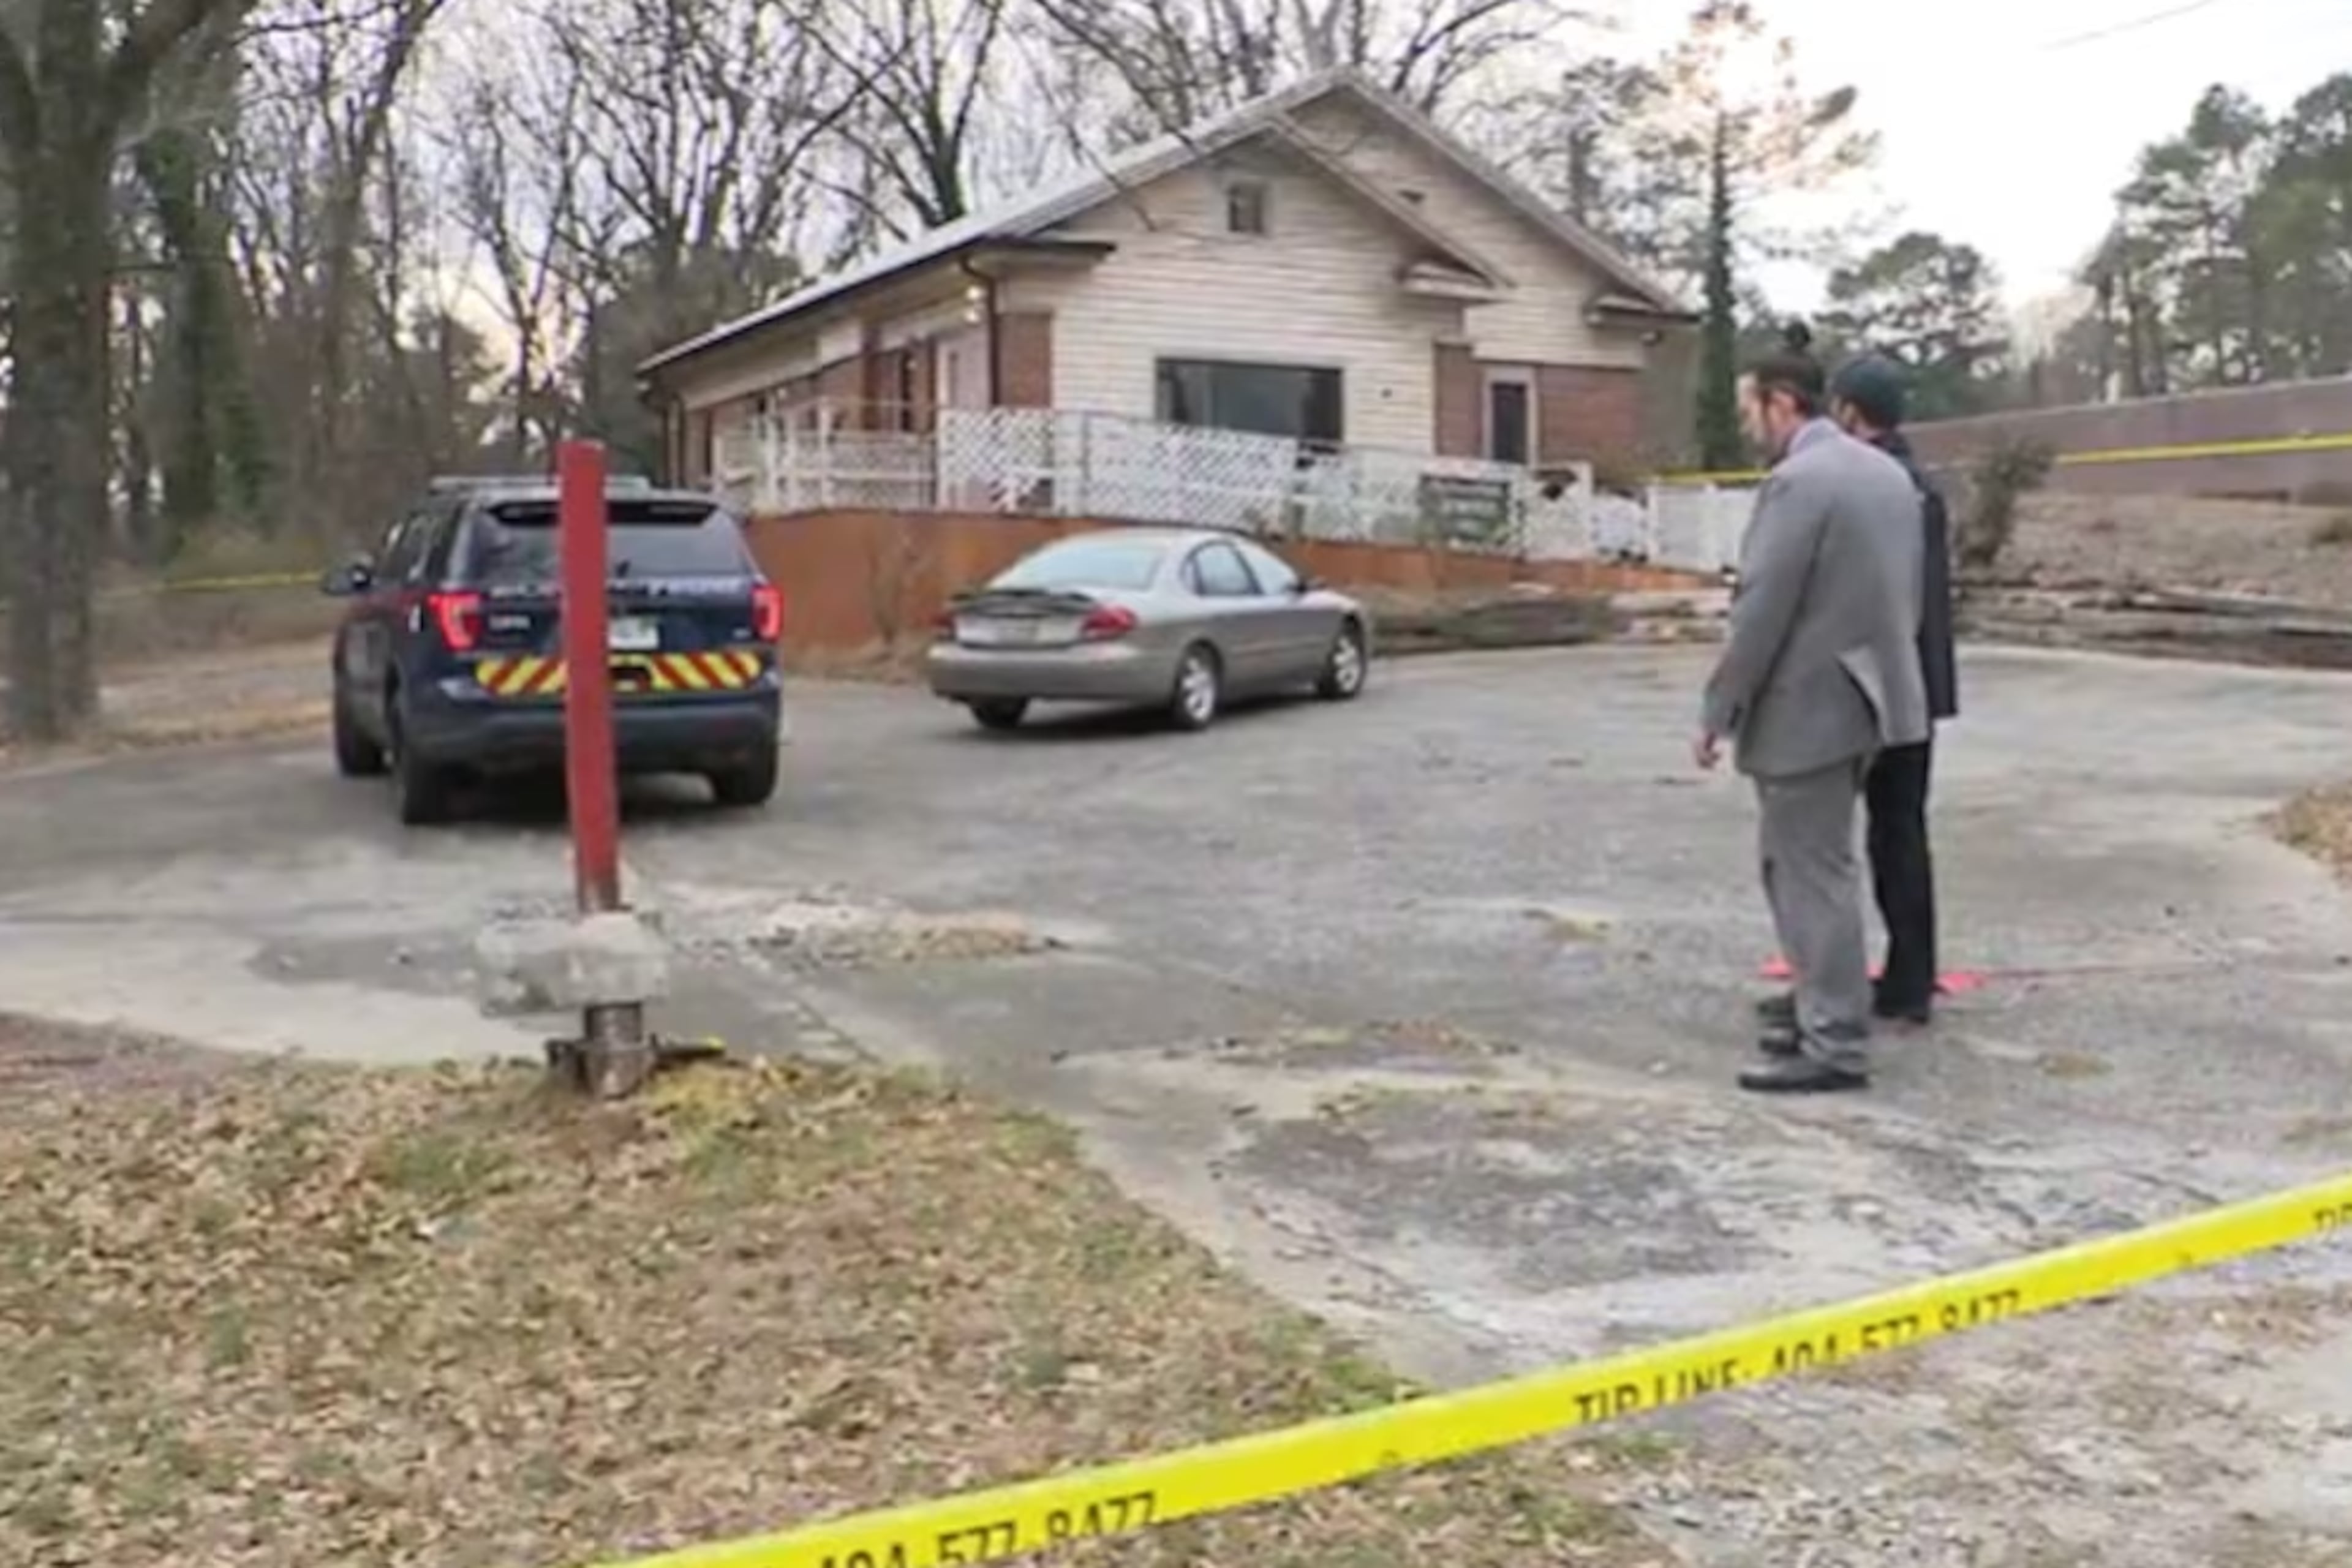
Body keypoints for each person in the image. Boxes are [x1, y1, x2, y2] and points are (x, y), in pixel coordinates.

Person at [1694, 324, 1929, 1094]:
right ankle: (1822, 1002)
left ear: (1782, 403)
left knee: (1807, 873)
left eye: (1750, 408)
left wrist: (1719, 708)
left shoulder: (1801, 483)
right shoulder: (1890, 477)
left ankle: (1833, 1041)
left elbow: (1763, 606)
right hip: (1876, 700)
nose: (1746, 424)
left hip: (1810, 709)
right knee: (1821, 866)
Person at [1828, 354, 1958, 1025]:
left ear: (1851, 411)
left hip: (1884, 681)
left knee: (1875, 837)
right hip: (1919, 682)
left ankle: (1898, 982)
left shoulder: (1878, 484)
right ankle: (1913, 972)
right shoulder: (1919, 484)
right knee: (1901, 830)